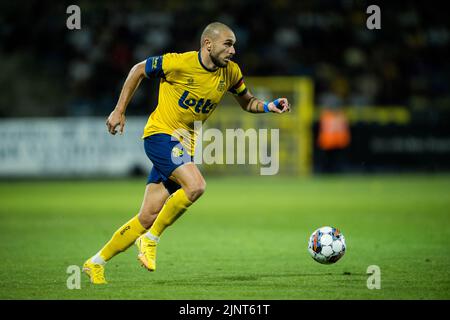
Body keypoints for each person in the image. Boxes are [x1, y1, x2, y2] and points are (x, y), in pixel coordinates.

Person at [82, 22, 291, 284]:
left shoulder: (231, 72)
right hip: (160, 136)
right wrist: (119, 110)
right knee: (196, 186)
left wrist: (270, 106)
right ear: (208, 44)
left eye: (234, 44)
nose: (233, 50)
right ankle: (151, 240)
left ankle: (96, 263)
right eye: (228, 44)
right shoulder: (178, 63)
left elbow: (247, 101)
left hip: (182, 146)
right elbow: (138, 70)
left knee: (147, 216)